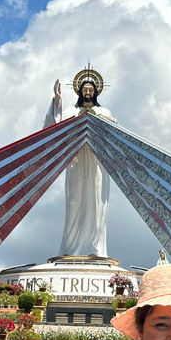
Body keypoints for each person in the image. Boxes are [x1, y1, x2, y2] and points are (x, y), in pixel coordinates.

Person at [44, 69, 117, 258]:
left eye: (90, 89)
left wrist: (101, 118)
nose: (87, 92)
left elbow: (114, 128)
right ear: (79, 91)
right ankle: (70, 248)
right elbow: (55, 125)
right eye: (84, 89)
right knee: (74, 201)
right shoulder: (72, 111)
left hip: (96, 161)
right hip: (76, 159)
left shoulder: (103, 111)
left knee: (97, 203)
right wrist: (57, 100)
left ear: (96, 92)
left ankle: (95, 249)